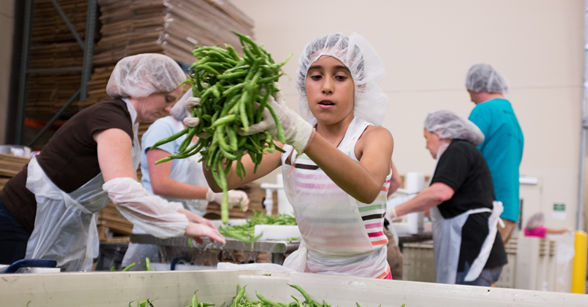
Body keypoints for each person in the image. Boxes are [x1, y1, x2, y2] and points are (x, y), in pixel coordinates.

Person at [189, 32, 394, 279]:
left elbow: (368, 188)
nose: (326, 87)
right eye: (316, 76)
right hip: (311, 276)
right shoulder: (287, 142)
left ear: (359, 86)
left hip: (368, 277)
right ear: (303, 84)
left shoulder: (372, 137)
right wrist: (211, 138)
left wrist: (301, 135)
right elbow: (222, 181)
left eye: (340, 77)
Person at [0, 54, 225, 271]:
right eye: (167, 99)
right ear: (145, 84)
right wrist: (183, 226)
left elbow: (131, 188)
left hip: (47, 219)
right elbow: (124, 192)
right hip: (20, 218)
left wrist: (183, 214)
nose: (168, 109)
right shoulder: (111, 121)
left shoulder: (124, 123)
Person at [121, 90, 249, 269]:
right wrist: (211, 195)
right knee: (146, 282)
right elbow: (160, 184)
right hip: (158, 227)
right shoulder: (165, 128)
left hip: (192, 226)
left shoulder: (207, 137)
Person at [387, 110, 507, 286]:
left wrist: (394, 212)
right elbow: (445, 203)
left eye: (426, 138)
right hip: (476, 249)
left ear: (440, 133)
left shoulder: (457, 150)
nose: (426, 145)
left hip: (472, 250)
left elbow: (439, 193)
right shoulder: (461, 152)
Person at [466, 64, 524, 244]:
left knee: (473, 270)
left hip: (487, 210)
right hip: (509, 210)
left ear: (476, 87)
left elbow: (462, 157)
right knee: (489, 270)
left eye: (469, 92)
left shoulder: (484, 111)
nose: (470, 99)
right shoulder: (512, 119)